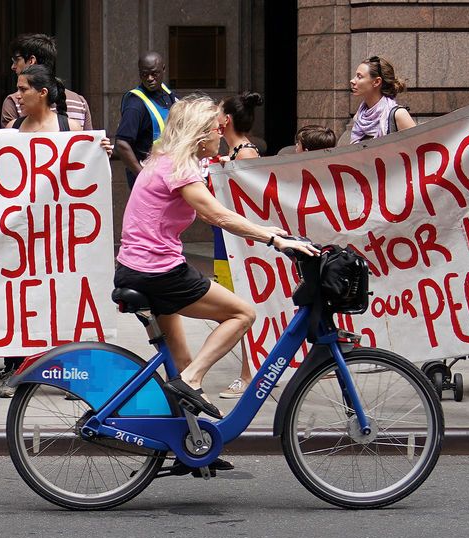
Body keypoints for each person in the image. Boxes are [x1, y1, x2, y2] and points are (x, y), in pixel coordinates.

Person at [114, 94, 318, 424]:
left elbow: (205, 201)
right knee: (242, 314)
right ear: (198, 133)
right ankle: (193, 380)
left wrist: (262, 226)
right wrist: (272, 238)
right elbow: (215, 214)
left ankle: (195, 442)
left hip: (136, 269)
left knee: (180, 361)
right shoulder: (179, 168)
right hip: (158, 272)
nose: (220, 134)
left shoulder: (166, 161)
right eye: (215, 128)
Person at [0, 64, 114, 398]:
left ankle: (75, 371)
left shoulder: (72, 127)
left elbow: (87, 172)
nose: (17, 96)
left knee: (66, 299)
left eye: (23, 89)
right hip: (24, 236)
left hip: (64, 234)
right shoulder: (12, 129)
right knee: (26, 300)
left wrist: (101, 152)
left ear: (42, 93)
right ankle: (22, 369)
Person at [209, 92, 263, 400]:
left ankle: (248, 374)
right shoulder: (233, 154)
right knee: (232, 307)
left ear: (226, 120)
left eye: (217, 113)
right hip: (225, 242)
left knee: (241, 307)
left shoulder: (245, 154)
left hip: (238, 246)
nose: (214, 118)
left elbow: (248, 206)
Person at [0, 33, 92, 130]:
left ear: (31, 61)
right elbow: (88, 142)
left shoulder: (14, 101)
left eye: (16, 60)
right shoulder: (80, 101)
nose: (13, 67)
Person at [115, 52, 178, 189]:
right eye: (144, 74)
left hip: (169, 174)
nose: (149, 79)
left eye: (154, 74)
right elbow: (121, 143)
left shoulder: (168, 95)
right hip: (149, 180)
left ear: (163, 69)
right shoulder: (135, 104)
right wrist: (143, 176)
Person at [348, 56, 416, 143]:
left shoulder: (399, 115)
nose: (352, 81)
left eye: (359, 76)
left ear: (376, 82)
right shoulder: (359, 116)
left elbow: (420, 150)